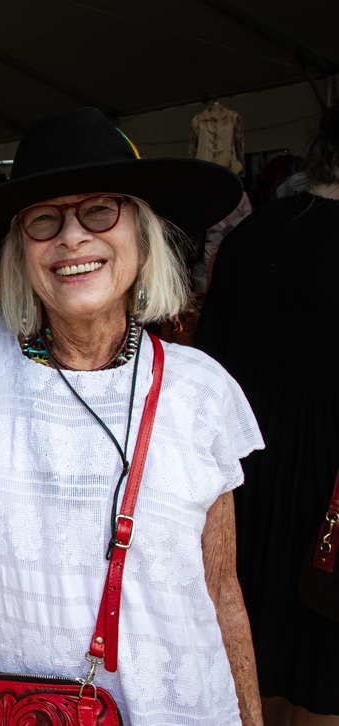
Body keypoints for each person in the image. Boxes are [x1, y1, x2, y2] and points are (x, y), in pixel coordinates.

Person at [0, 107, 264, 725]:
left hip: (174, 705)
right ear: (18, 250)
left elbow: (222, 590)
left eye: (100, 211)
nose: (72, 237)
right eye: (44, 220)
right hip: (9, 708)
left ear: (141, 231)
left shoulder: (199, 389)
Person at [197, 106, 339, 725]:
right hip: (325, 474)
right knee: (318, 638)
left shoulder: (249, 236)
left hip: (241, 466)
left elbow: (207, 359)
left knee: (245, 617)